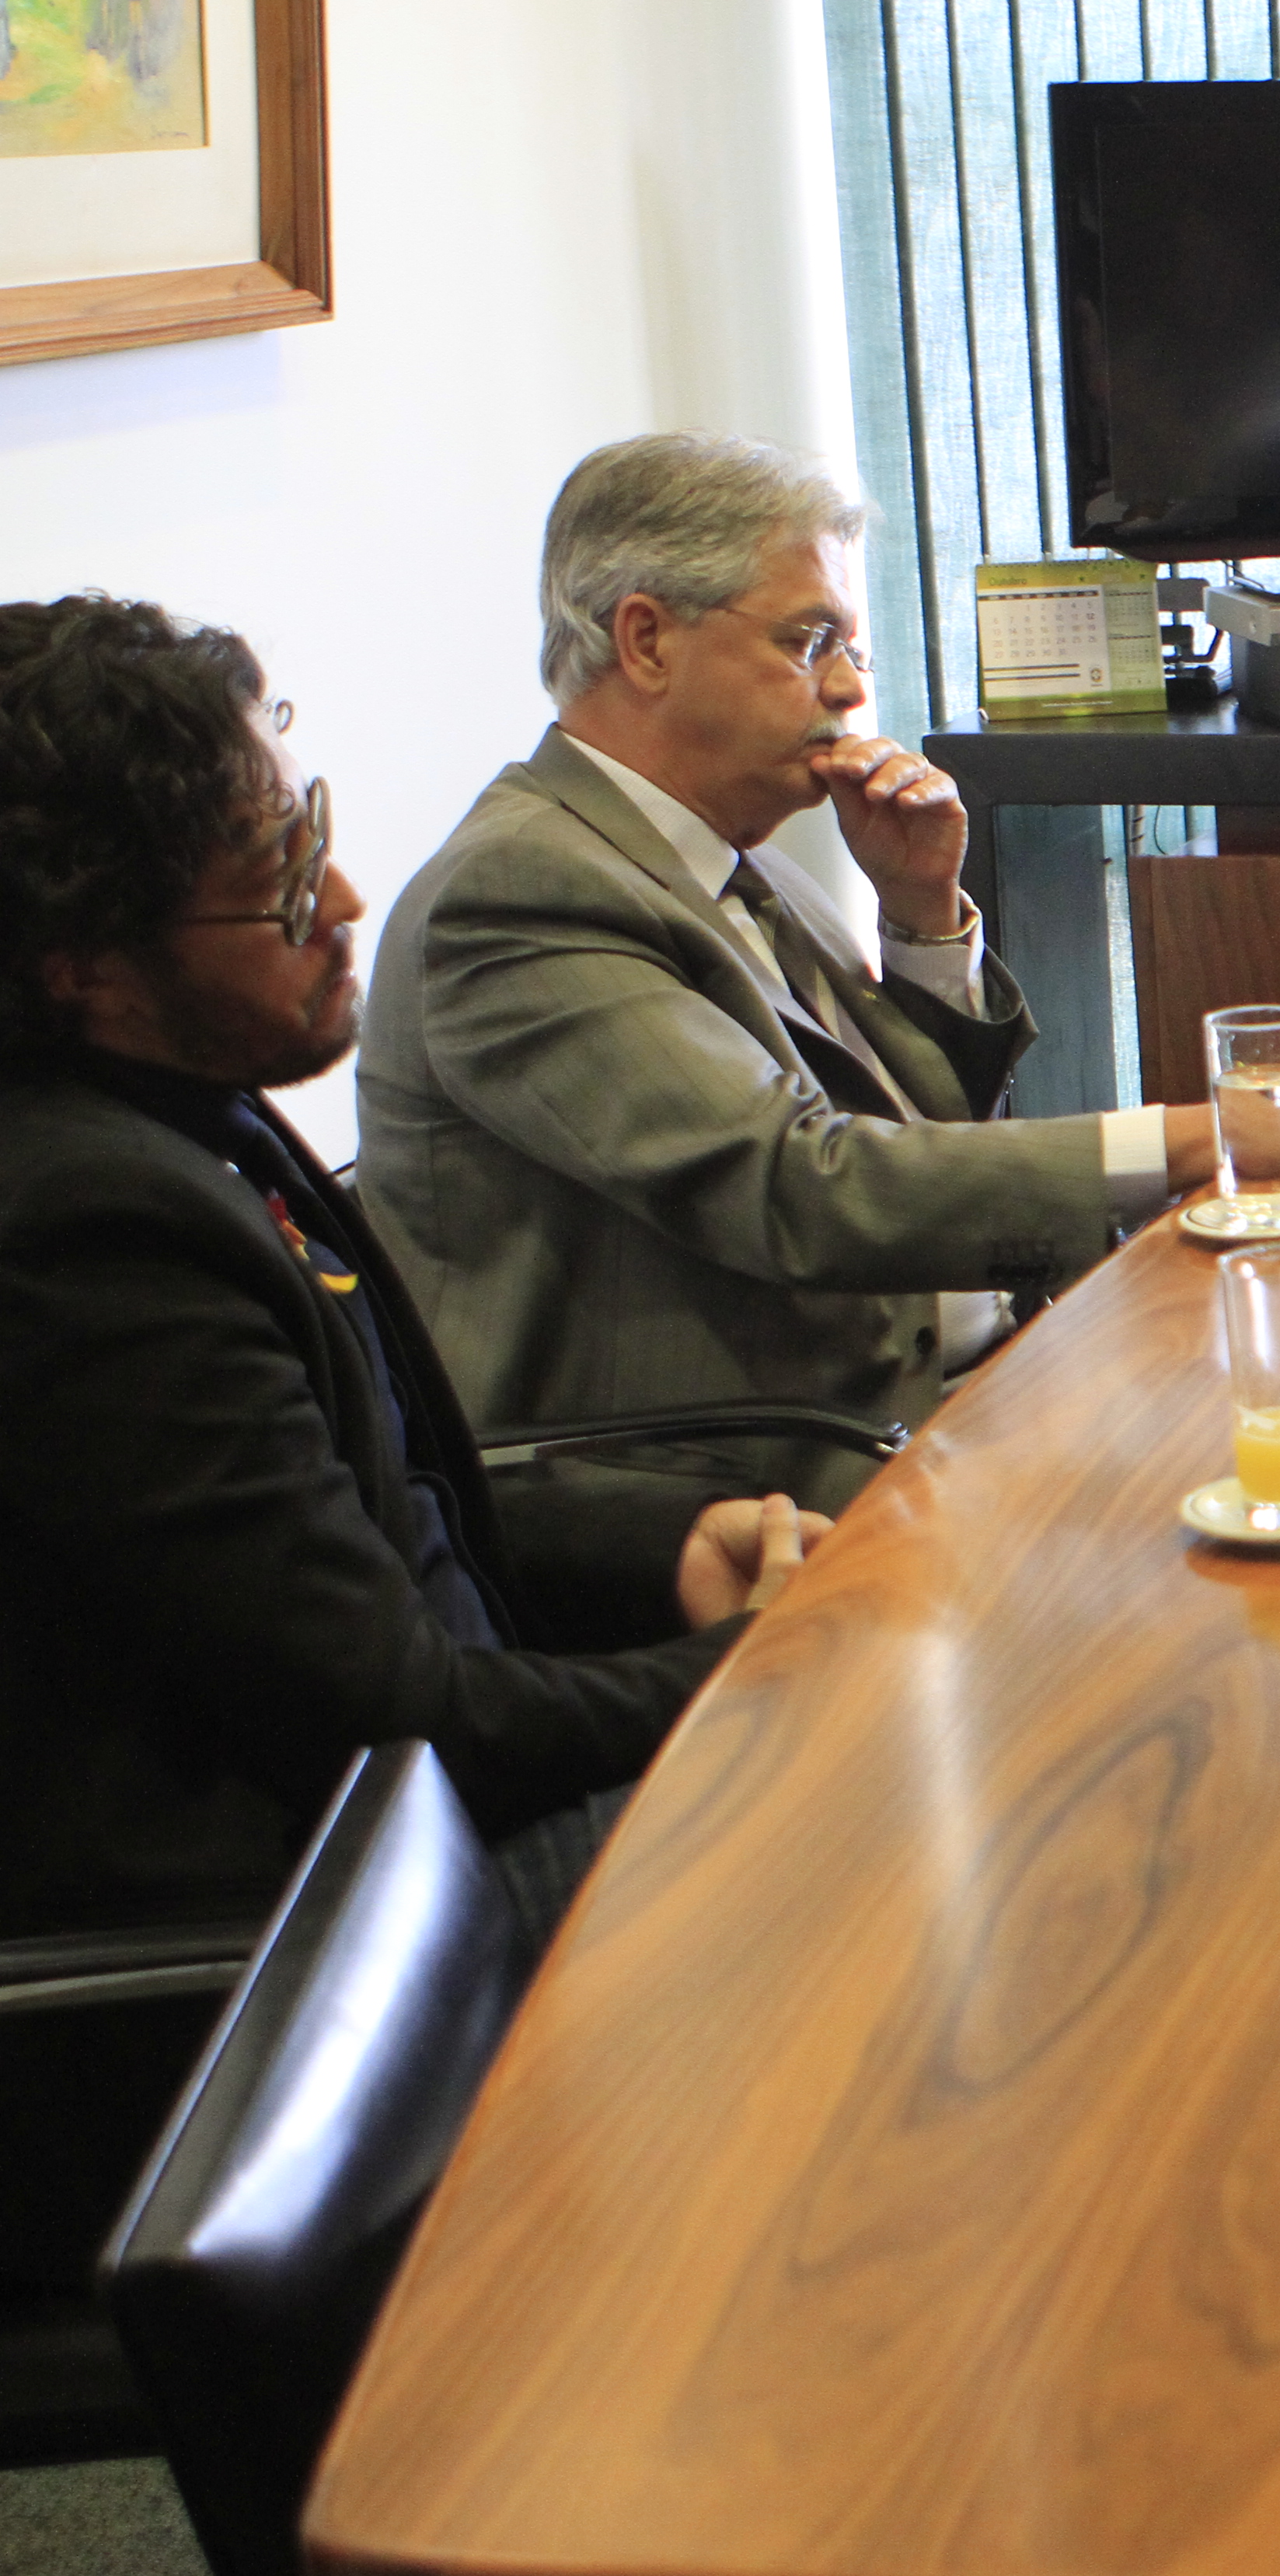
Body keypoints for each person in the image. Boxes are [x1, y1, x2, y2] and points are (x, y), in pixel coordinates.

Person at [356, 434, 1280, 1607]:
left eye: (853, 649)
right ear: (646, 641)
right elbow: (802, 1189)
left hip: (966, 1393)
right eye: (808, 642)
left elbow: (921, 1135)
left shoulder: (733, 860)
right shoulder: (520, 892)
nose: (848, 690)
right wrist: (1223, 1133)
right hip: (757, 1491)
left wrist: (923, 918)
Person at [0, 594, 819, 1955]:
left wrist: (658, 1550)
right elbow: (400, 1727)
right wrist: (755, 1667)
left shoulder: (182, 1120)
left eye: (307, 833)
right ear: (84, 968)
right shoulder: (86, 1236)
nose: (339, 902)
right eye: (278, 878)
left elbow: (366, 1503)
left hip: (433, 1819)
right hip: (323, 1944)